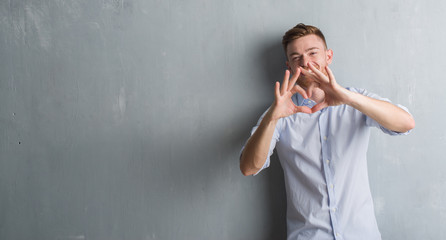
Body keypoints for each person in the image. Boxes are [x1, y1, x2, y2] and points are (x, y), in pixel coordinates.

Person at [239, 23, 415, 240]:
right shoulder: (278, 112)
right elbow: (248, 167)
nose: (305, 62)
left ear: (328, 56)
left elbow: (406, 123)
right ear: (290, 66)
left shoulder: (356, 99)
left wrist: (349, 98)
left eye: (313, 53)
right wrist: (272, 118)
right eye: (296, 57)